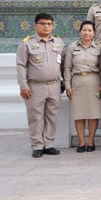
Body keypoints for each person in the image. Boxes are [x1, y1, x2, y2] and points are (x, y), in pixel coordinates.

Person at [17, 13, 65, 158]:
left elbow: (62, 64)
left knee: (52, 116)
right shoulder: (27, 43)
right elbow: (21, 65)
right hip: (35, 86)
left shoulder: (58, 42)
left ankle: (48, 144)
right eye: (43, 23)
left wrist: (63, 82)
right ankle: (37, 145)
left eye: (49, 24)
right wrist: (23, 85)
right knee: (36, 117)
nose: (46, 26)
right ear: (35, 26)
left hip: (54, 85)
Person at [64, 20, 101, 153]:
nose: (87, 33)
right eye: (84, 30)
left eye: (90, 30)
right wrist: (68, 86)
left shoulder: (99, 47)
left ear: (94, 33)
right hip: (77, 82)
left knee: (93, 114)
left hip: (94, 82)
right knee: (79, 114)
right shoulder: (72, 47)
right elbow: (67, 67)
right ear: (80, 31)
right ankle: (81, 142)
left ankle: (91, 140)